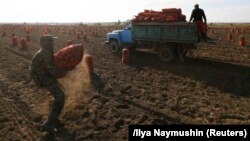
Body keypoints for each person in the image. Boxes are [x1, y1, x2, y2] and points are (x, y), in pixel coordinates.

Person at [29, 35, 71, 133]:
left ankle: (53, 116)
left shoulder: (46, 51)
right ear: (47, 43)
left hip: (43, 75)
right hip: (42, 77)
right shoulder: (45, 53)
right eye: (52, 42)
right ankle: (49, 124)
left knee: (59, 93)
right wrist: (66, 71)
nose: (53, 43)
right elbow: (52, 70)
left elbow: (52, 68)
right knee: (60, 96)